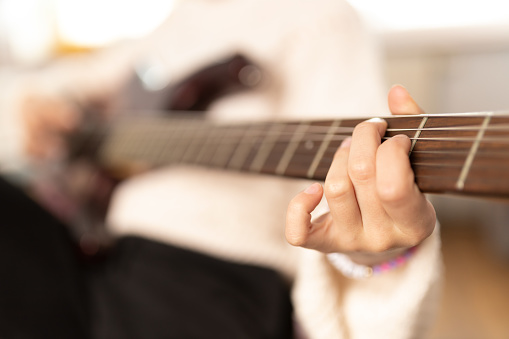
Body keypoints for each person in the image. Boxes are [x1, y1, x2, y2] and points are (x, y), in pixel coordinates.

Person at [3, 0, 442, 338]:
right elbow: (61, 82)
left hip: (209, 284)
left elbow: (355, 182)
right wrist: (34, 108)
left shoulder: (319, 17)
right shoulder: (176, 23)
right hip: (100, 256)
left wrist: (374, 247)